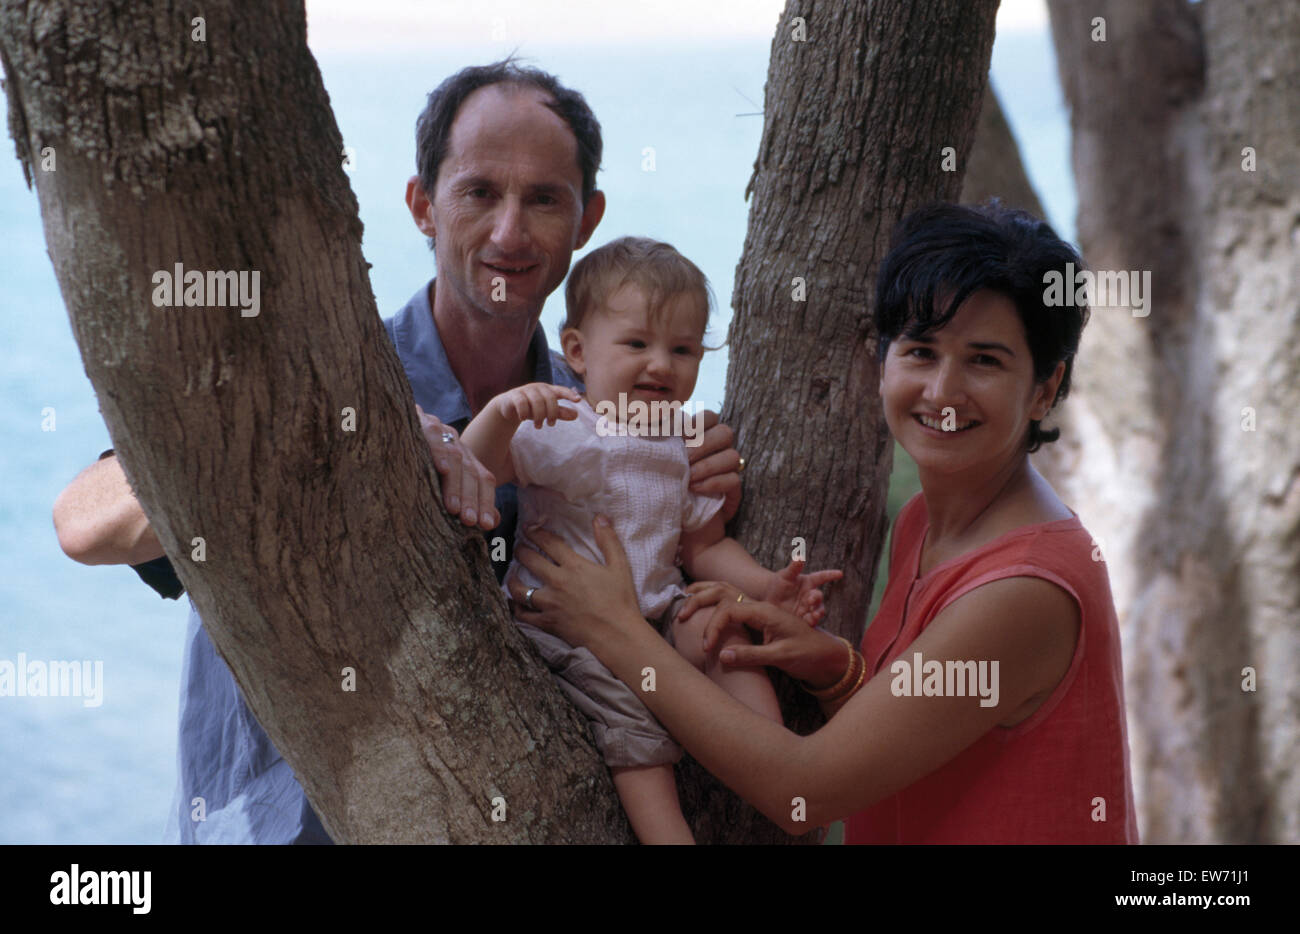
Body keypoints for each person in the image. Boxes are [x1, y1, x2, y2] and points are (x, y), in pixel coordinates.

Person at [51, 59, 743, 843]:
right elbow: (82, 524)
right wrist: (355, 437)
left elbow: (645, 601)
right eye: (480, 192)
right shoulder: (320, 381)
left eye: (544, 200)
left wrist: (703, 489)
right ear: (422, 206)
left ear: (586, 221)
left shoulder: (599, 420)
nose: (510, 233)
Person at [507, 202, 1140, 844]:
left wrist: (613, 628)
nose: (943, 392)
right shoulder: (925, 520)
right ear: (885, 361)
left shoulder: (1025, 589)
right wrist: (838, 672)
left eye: (985, 361)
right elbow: (931, 732)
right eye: (921, 351)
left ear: (1044, 387)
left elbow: (803, 797)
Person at [461, 236, 839, 844]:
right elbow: (476, 473)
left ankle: (776, 760)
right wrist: (500, 415)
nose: (661, 364)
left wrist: (770, 588)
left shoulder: (680, 445)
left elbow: (705, 548)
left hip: (655, 612)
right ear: (578, 352)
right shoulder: (566, 427)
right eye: (637, 344)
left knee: (719, 629)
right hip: (564, 627)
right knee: (633, 725)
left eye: (683, 350)